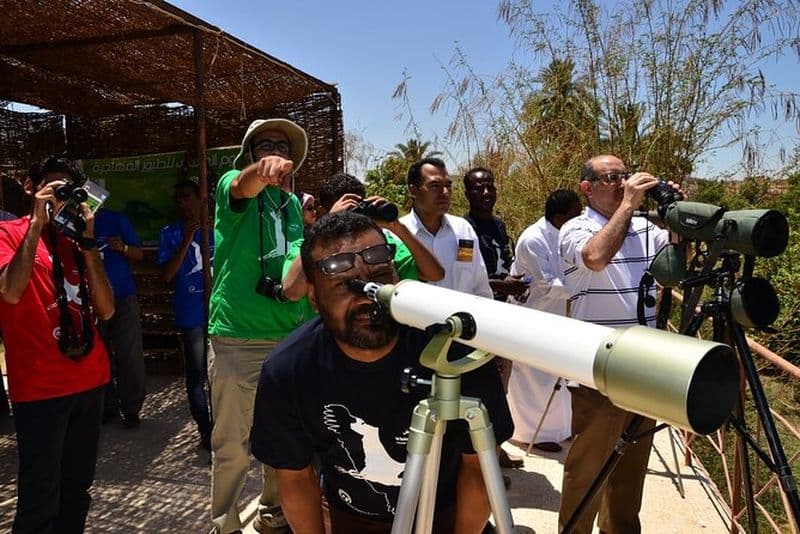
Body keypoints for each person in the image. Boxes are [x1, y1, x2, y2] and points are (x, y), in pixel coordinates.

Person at [251, 211, 513, 533]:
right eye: (345, 286)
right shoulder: (288, 371)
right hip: (349, 519)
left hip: (445, 517)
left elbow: (478, 471)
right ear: (314, 298)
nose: (366, 298)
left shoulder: (455, 353)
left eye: (377, 279)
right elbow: (295, 477)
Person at [557, 155, 679, 533]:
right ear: (587, 188)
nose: (622, 183)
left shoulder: (645, 228)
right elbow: (595, 258)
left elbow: (679, 262)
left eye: (625, 176)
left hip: (643, 367)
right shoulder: (575, 228)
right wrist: (627, 204)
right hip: (597, 369)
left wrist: (678, 216)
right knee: (588, 473)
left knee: (629, 480)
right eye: (612, 178)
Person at [0, 157, 114, 533]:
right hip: (40, 389)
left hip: (89, 381)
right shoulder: (8, 233)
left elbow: (107, 309)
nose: (59, 199)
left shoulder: (77, 240)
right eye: (53, 188)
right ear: (31, 189)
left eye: (68, 192)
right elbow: (12, 291)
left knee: (77, 492)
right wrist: (36, 224)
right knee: (38, 500)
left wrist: (88, 244)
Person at [208, 117, 309, 534]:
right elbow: (242, 186)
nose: (276, 153)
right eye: (265, 146)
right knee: (232, 446)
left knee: (281, 438)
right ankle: (226, 525)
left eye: (283, 147)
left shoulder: (294, 207)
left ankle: (273, 513)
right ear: (250, 154)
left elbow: (295, 277)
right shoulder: (233, 184)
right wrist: (258, 173)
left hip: (287, 336)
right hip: (239, 336)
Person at [281, 172, 444, 305]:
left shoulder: (384, 245)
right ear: (323, 212)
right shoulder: (307, 246)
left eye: (358, 209)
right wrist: (328, 222)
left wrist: (397, 227)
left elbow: (435, 274)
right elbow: (292, 291)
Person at [506, 189, 582, 453]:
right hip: (532, 314)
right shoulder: (533, 239)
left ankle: (560, 429)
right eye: (575, 214)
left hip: (557, 314)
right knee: (533, 376)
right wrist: (586, 287)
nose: (580, 218)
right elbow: (548, 285)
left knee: (556, 373)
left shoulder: (565, 234)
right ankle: (529, 434)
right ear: (560, 216)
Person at [157, 179, 213, 450]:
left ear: (201, 199)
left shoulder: (219, 230)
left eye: (187, 196)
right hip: (190, 315)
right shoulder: (170, 233)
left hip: (220, 314)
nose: (182, 203)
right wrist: (187, 240)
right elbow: (167, 275)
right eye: (178, 198)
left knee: (224, 376)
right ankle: (206, 429)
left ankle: (227, 428)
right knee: (197, 377)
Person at [399, 158, 492, 299]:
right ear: (413, 191)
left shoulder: (463, 230)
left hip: (462, 318)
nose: (445, 192)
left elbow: (479, 283)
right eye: (434, 186)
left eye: (448, 185)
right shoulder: (397, 235)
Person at [94, 206, 146, 428]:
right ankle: (107, 407)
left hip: (123, 296)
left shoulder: (116, 219)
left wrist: (122, 247)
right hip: (91, 298)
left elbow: (139, 253)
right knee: (98, 356)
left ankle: (131, 408)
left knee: (129, 353)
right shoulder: (73, 221)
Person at [462, 167, 529, 302]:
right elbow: (464, 278)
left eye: (490, 187)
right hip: (479, 304)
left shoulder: (499, 226)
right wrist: (500, 285)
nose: (486, 193)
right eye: (479, 189)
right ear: (468, 194)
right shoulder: (464, 230)